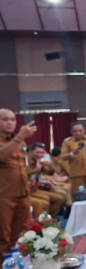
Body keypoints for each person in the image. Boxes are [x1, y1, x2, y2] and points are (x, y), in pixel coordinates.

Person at [0, 109, 36, 254]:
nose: (10, 122)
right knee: (3, 237)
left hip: (22, 194)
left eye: (13, 119)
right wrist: (20, 137)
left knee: (22, 235)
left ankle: (17, 264)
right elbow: (2, 156)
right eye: (5, 119)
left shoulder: (19, 140)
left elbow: (22, 165)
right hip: (4, 196)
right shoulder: (18, 139)